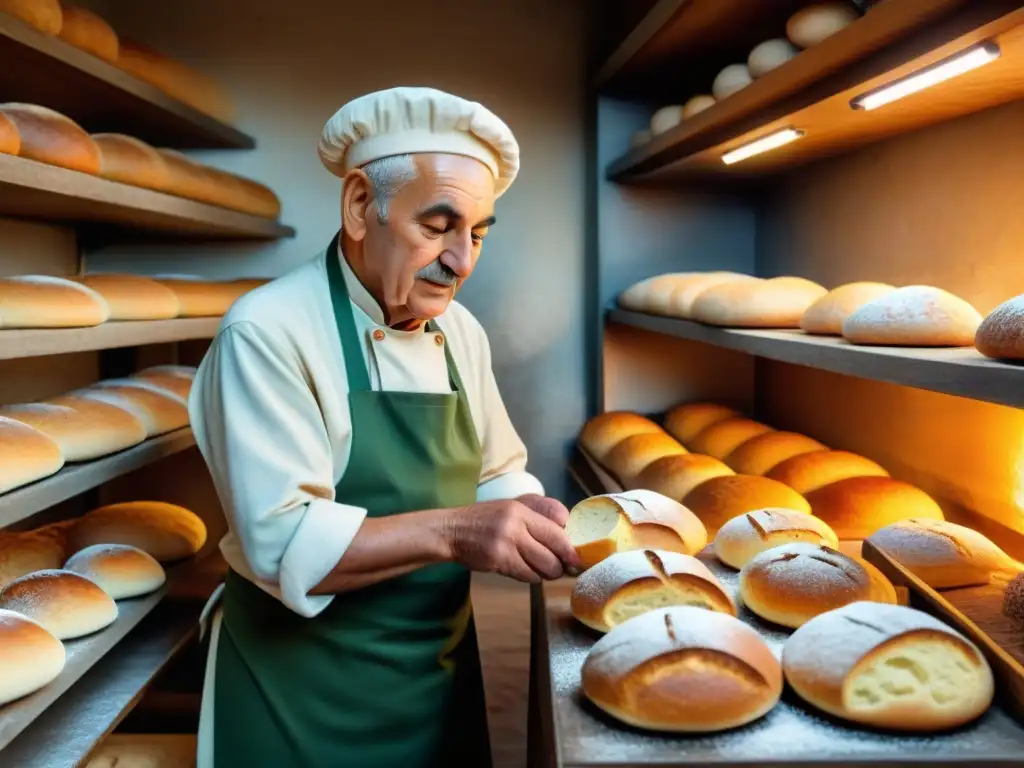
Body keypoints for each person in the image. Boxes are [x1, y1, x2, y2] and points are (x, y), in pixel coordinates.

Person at [188, 86, 580, 768]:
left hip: (434, 673)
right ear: (360, 206)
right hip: (302, 696)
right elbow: (283, 542)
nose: (463, 261)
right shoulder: (267, 332)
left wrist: (523, 510)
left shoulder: (459, 330)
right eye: (438, 226)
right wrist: (459, 531)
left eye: (479, 232)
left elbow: (493, 469)